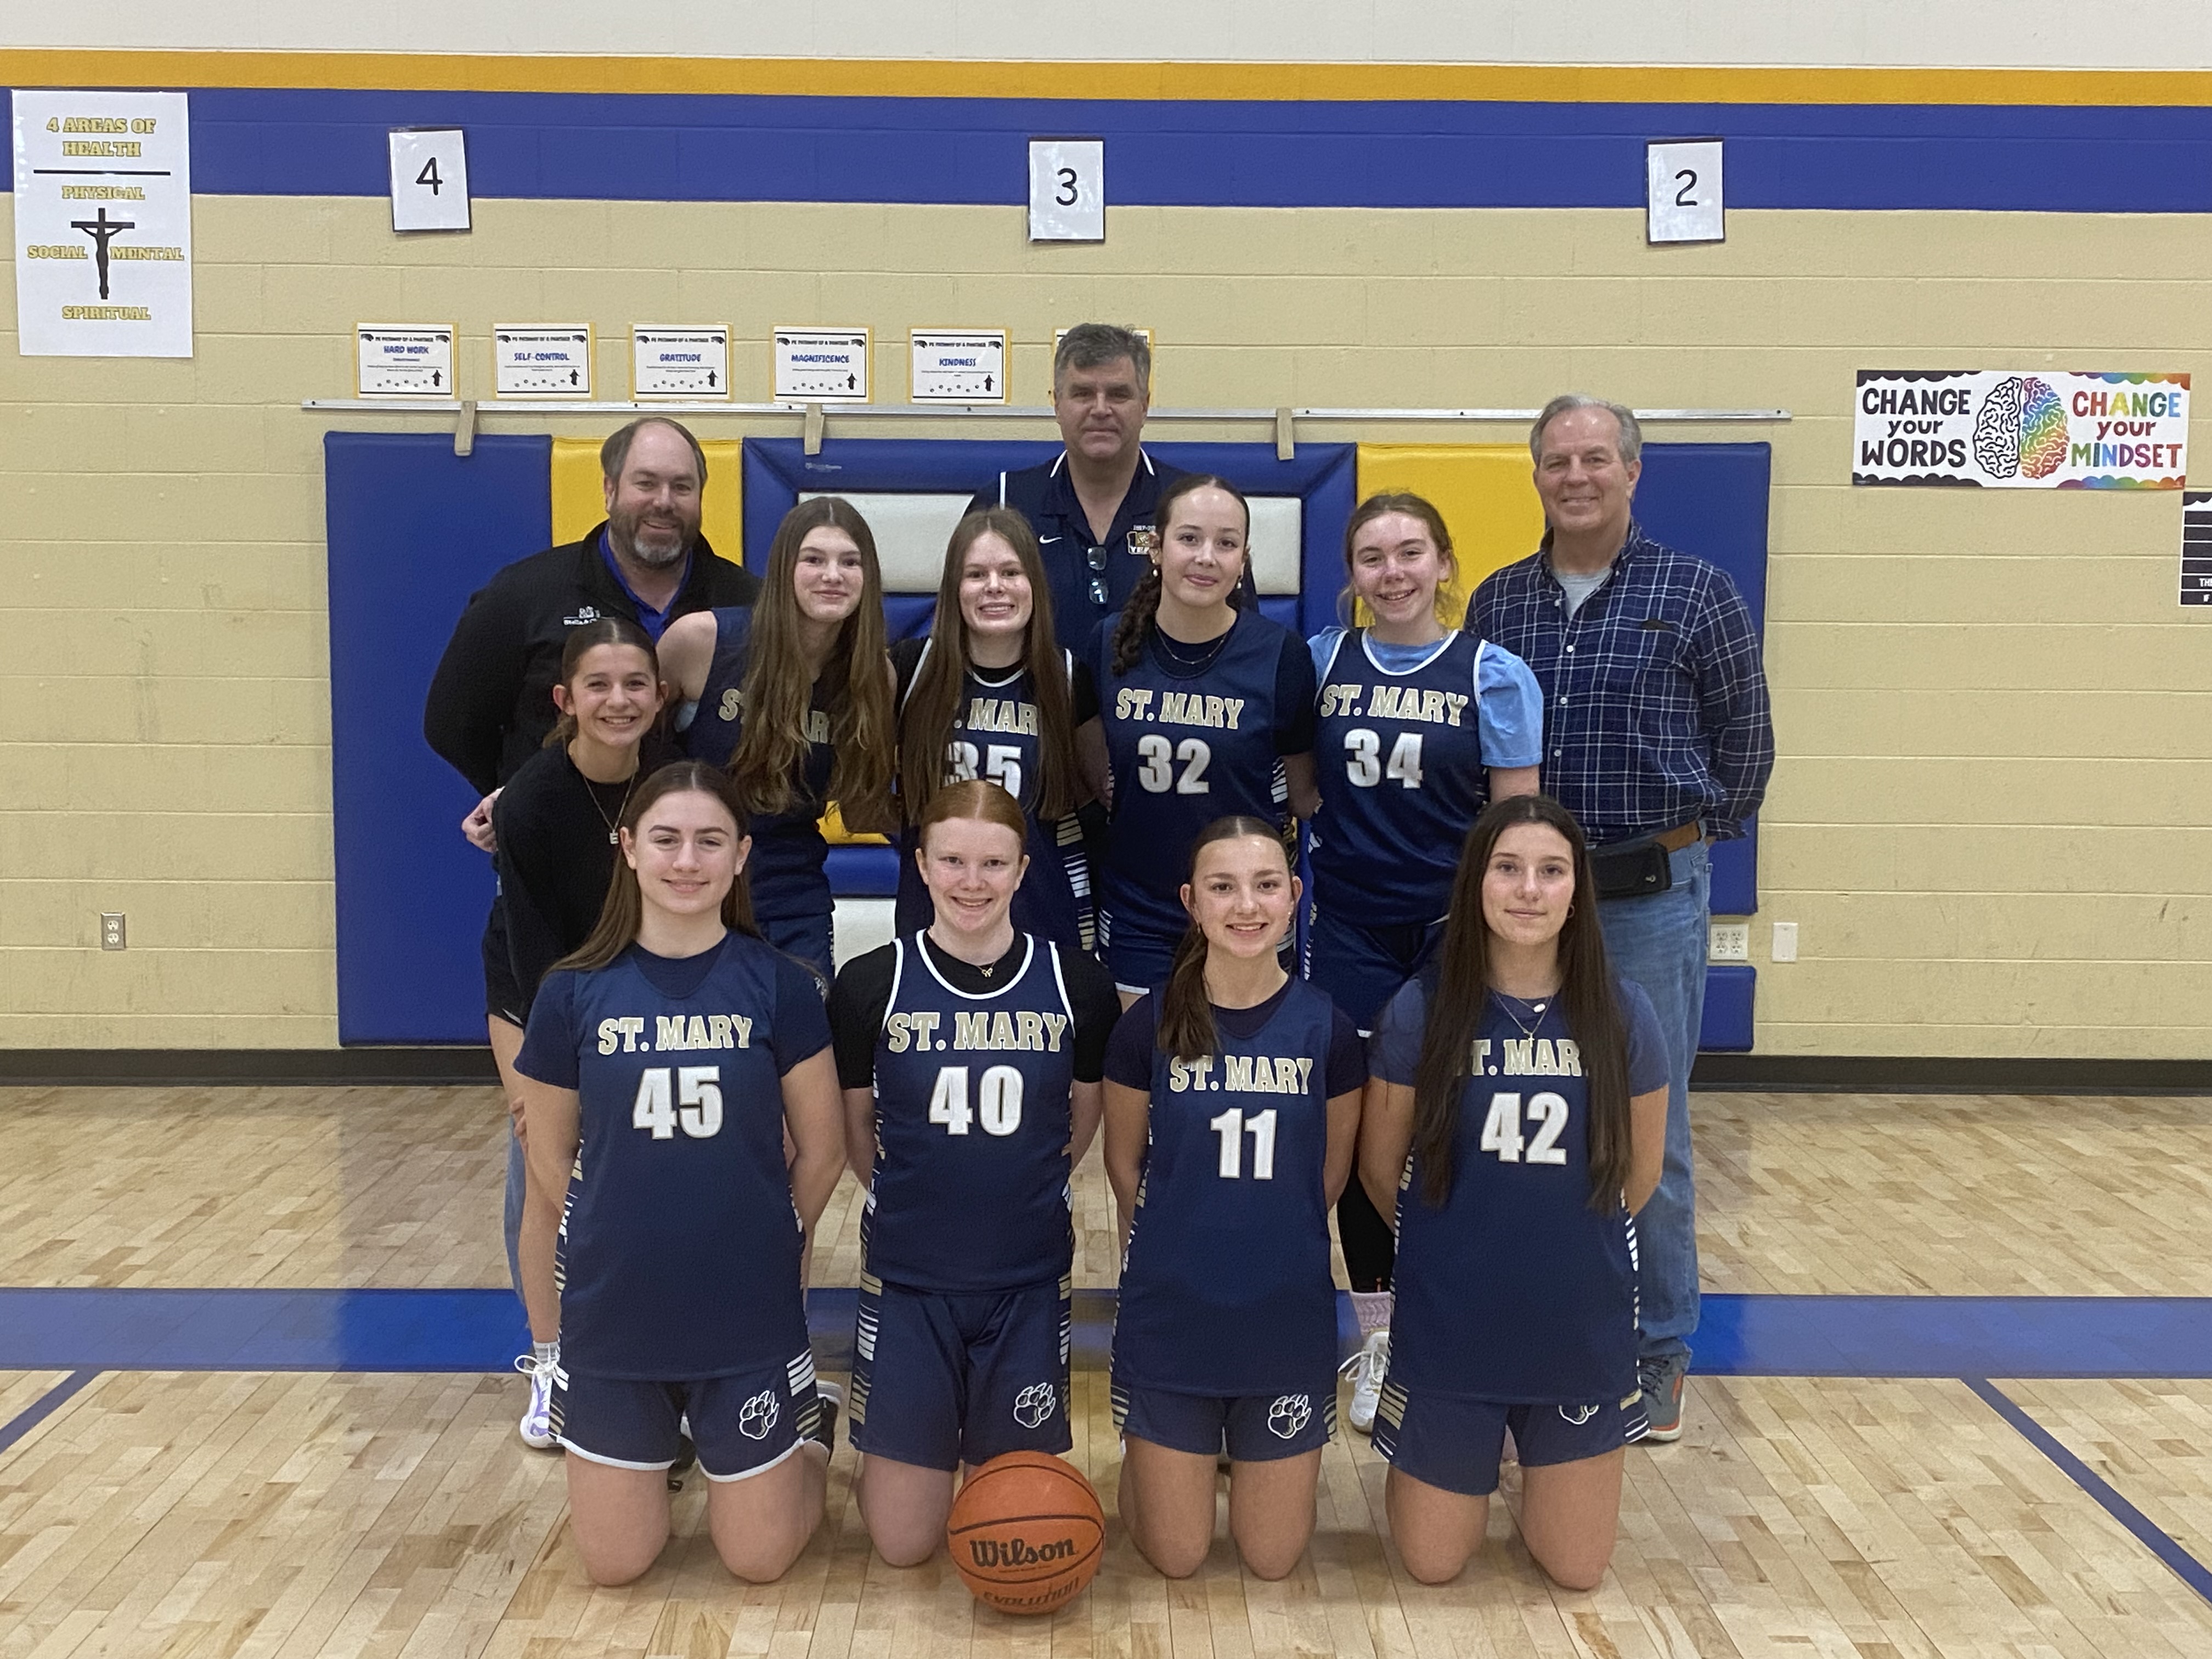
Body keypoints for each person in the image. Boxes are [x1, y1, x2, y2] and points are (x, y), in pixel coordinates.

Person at [1468, 394, 1774, 1443]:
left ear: (1633, 470)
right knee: (1517, 1108)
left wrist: (1679, 845)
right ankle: (1536, 1331)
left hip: (1647, 897)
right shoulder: (1500, 601)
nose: (1577, 475)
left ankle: (1658, 1355)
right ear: (1537, 475)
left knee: (1654, 1128)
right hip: (1522, 900)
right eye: (1558, 460)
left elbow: (1747, 746)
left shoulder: (1698, 593)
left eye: (1596, 457)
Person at [511, 761, 846, 1587]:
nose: (686, 861)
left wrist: (775, 1232)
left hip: (743, 1309)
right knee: (617, 1566)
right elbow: (547, 1153)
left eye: (710, 842)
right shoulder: (572, 992)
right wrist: (599, 1229)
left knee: (758, 1561)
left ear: (740, 858)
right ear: (628, 849)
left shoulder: (778, 985)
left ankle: (810, 1430)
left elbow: (825, 1147)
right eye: (666, 840)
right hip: (617, 1311)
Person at [1358, 793, 1668, 1588]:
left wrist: (1553, 1249)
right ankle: (1479, 1449)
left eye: (1551, 871)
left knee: (1575, 1571)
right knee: (1431, 1566)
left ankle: (1536, 1457)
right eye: (1508, 869)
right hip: (1454, 1330)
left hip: (1573, 1330)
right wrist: (1464, 1244)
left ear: (1576, 891)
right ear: (1477, 885)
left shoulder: (1623, 1014)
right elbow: (1379, 1169)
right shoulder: (1420, 1012)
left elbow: (1640, 1175)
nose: (1529, 889)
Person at [826, 781, 1121, 1565]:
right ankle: (818, 1437)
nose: (972, 881)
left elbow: (1081, 1118)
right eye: (952, 860)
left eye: (993, 863)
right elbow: (859, 1131)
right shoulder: (870, 983)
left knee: (1014, 1529)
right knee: (903, 1545)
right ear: (921, 866)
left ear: (1024, 870)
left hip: (1025, 1282)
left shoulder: (1077, 984)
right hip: (910, 1279)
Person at [1306, 492, 1544, 1434]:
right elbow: (1301, 792)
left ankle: (1460, 1319)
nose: (1393, 572)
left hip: (1452, 928)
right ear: (1352, 573)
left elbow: (1515, 831)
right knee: (1365, 1132)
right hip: (1354, 928)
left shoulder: (1494, 674)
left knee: (1454, 1131)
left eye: (1411, 553)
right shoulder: (1322, 662)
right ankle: (1378, 1332)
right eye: (1372, 556)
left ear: (1446, 563)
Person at [1102, 819, 1364, 1581]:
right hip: (1175, 1317)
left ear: (1293, 897)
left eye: (1265, 885)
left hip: (1283, 1319)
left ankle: (1202, 1455)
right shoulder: (1147, 1024)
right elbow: (1125, 1169)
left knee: (1274, 1558)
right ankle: (1150, 1453)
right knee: (1179, 1557)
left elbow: (1329, 1179)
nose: (1245, 905)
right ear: (1191, 902)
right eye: (1222, 887)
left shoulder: (1331, 1031)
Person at [490, 617, 669, 1448]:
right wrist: (549, 1079)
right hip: (539, 994)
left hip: (641, 989)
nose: (618, 700)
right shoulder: (530, 800)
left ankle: (656, 1346)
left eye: (635, 684)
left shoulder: (676, 783)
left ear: (661, 696)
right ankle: (553, 1360)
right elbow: (535, 959)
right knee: (546, 1164)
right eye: (598, 685)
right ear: (566, 700)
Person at [426, 416, 756, 800]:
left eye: (682, 487)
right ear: (609, 490)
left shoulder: (748, 604)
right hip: (559, 851)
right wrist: (520, 802)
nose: (664, 502)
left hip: (695, 850)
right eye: (646, 483)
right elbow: (451, 725)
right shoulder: (524, 594)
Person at [1079, 475, 1318, 1000]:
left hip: (1246, 911)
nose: (1207, 557)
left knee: (1242, 1074)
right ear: (1157, 548)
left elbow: (1303, 796)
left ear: (1243, 559)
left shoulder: (1282, 656)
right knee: (1141, 1070)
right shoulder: (1108, 643)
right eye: (1189, 538)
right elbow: (1089, 757)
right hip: (1139, 908)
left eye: (1226, 543)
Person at [658, 497, 896, 979]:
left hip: (794, 902)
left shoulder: (875, 679)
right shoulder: (700, 641)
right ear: (785, 568)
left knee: (801, 1049)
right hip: (692, 890)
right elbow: (622, 742)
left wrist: (954, 819)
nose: (833, 575)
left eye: (850, 562)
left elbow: (860, 810)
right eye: (814, 560)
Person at [967, 323, 1251, 640]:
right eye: (1083, 394)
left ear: (1144, 406)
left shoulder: (1194, 508)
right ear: (1056, 404)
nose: (1101, 409)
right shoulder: (1004, 502)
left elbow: (1245, 638)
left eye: (1118, 394)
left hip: (1154, 691)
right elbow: (957, 631)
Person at [893, 508, 1096, 952]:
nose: (994, 587)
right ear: (954, 589)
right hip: (932, 917)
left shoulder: (1068, 679)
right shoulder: (912, 668)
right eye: (976, 574)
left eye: (1010, 571)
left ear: (1034, 586)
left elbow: (1091, 811)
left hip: (1040, 916)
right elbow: (866, 796)